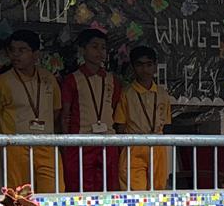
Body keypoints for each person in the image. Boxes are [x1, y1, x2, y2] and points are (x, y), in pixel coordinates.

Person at [0, 30, 62, 193]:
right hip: (15, 148)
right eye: (12, 50)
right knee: (18, 197)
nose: (15, 55)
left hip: (46, 144)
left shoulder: (48, 78)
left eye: (22, 50)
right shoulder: (3, 81)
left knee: (53, 194)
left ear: (36, 54)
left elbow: (56, 110)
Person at [60, 28, 123, 192]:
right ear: (83, 50)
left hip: (108, 140)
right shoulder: (72, 79)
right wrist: (67, 143)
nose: (99, 51)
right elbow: (65, 114)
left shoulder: (112, 80)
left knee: (109, 187)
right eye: (94, 46)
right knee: (79, 187)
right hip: (81, 140)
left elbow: (114, 108)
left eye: (103, 47)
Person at [114, 46, 173, 190]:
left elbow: (166, 124)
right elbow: (120, 125)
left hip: (158, 145)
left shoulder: (162, 94)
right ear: (133, 67)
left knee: (158, 190)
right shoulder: (127, 93)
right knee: (135, 191)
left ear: (155, 66)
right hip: (134, 144)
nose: (145, 69)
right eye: (140, 65)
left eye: (149, 64)